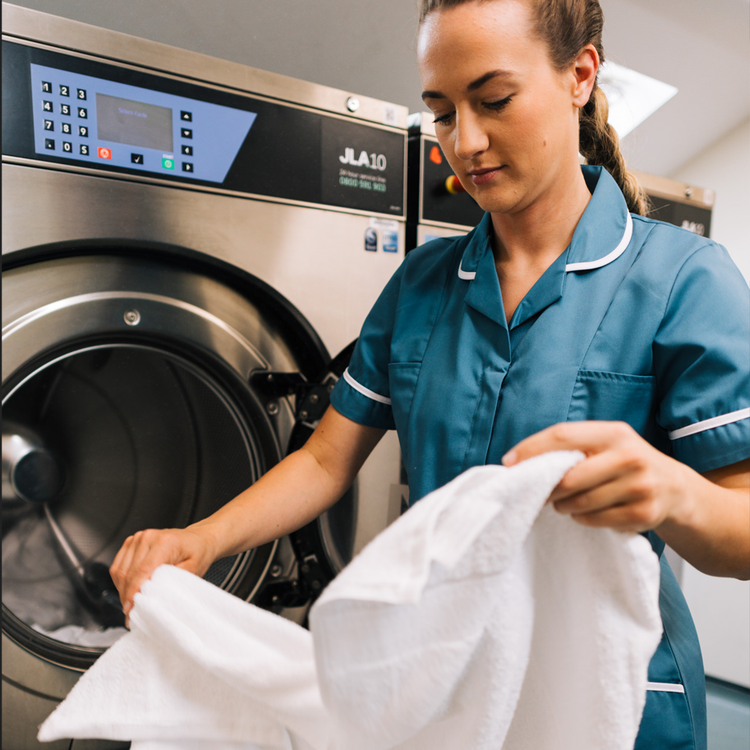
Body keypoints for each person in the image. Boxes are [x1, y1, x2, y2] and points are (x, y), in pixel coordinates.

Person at [111, 0, 750, 747]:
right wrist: (205, 539)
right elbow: (324, 460)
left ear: (580, 75)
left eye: (494, 100)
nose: (465, 142)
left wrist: (671, 491)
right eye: (441, 112)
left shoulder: (682, 280)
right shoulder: (423, 283)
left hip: (609, 702)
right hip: (442, 682)